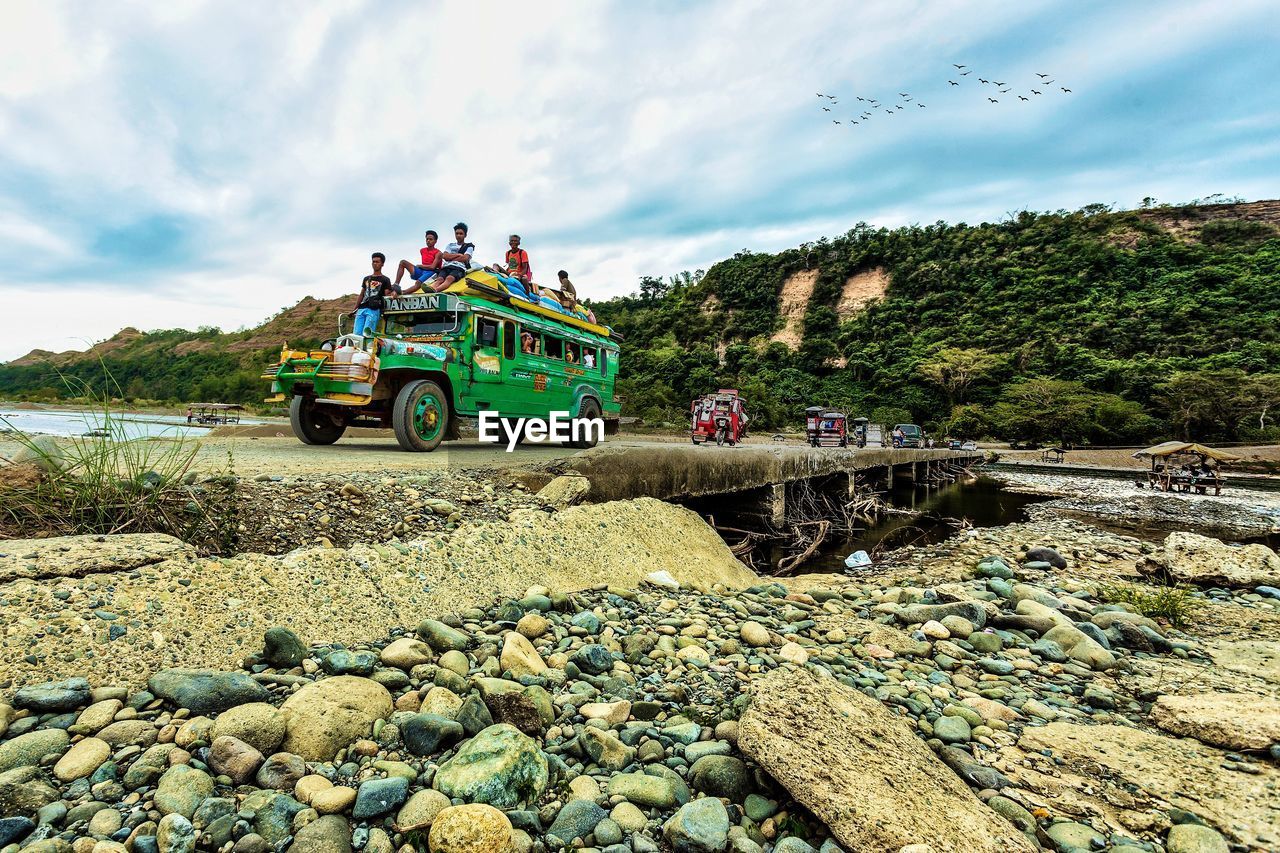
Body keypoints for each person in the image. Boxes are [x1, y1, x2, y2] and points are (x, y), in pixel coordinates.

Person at [352, 252, 393, 337]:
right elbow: (362, 294)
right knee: (356, 334)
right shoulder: (366, 278)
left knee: (367, 334)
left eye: (377, 262)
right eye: (373, 262)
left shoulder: (385, 279)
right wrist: (355, 308)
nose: (375, 264)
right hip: (362, 308)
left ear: (382, 264)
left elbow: (386, 295)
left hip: (373, 308)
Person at [429, 223, 475, 292]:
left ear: (465, 235)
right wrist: (459, 255)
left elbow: (465, 258)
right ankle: (429, 289)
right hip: (447, 266)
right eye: (457, 233)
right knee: (439, 279)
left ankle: (436, 290)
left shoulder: (469, 246)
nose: (458, 235)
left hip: (459, 268)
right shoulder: (450, 245)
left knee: (449, 278)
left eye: (461, 233)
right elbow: (444, 256)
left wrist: (450, 257)